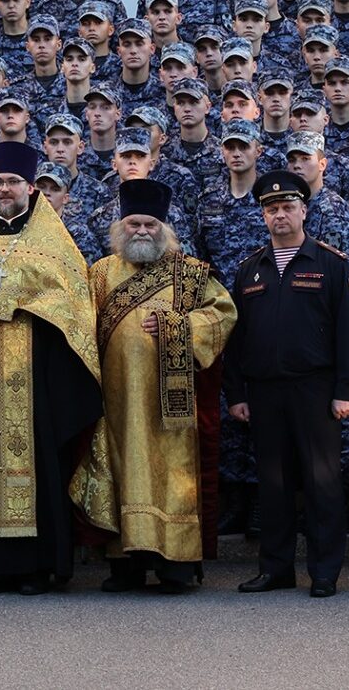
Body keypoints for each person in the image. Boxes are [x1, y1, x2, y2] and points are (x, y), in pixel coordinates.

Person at [0, 140, 109, 594]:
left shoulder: (54, 245)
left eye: (13, 182)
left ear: (32, 188)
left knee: (37, 466)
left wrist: (23, 304)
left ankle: (37, 567)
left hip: (36, 380)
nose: (5, 188)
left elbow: (72, 306)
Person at [88, 179, 236, 595]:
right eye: (133, 223)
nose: (141, 231)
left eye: (150, 224)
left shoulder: (190, 273)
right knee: (122, 471)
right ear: (120, 227)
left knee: (172, 476)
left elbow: (223, 315)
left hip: (171, 405)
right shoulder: (100, 274)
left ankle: (177, 566)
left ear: (165, 228)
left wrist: (179, 327)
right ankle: (125, 566)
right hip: (116, 400)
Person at [224, 170, 349, 598]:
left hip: (316, 390)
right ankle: (276, 568)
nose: (279, 215)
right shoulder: (250, 269)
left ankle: (323, 571)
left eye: (287, 207)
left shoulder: (331, 264)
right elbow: (236, 337)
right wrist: (237, 394)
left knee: (322, 483)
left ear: (304, 210)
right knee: (274, 484)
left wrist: (346, 389)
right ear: (263, 216)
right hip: (265, 391)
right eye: (271, 209)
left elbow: (348, 333)